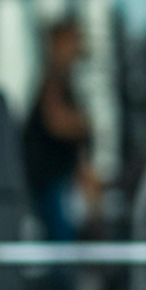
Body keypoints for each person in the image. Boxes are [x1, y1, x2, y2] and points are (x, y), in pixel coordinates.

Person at [22, 18, 100, 240]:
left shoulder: (67, 80)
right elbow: (56, 122)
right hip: (49, 179)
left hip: (61, 179)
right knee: (60, 242)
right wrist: (84, 124)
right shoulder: (52, 80)